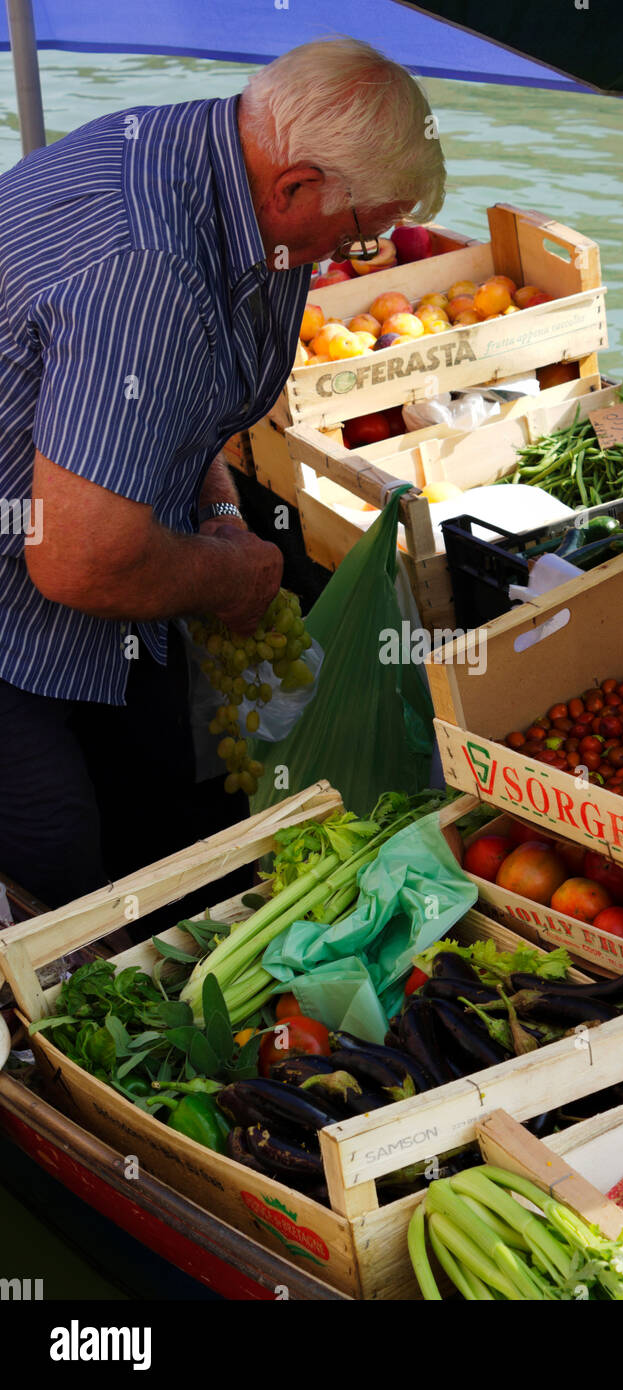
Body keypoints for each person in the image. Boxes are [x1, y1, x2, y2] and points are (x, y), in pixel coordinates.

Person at [0, 37, 446, 924]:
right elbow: (80, 560)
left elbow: (170, 402)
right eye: (359, 233)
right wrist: (231, 578)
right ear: (293, 187)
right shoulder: (146, 268)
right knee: (58, 878)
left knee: (167, 806)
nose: (353, 255)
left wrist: (214, 505)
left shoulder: (219, 170)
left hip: (89, 564)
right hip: (24, 604)